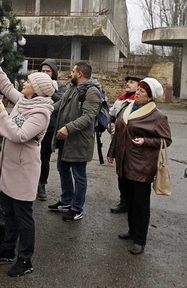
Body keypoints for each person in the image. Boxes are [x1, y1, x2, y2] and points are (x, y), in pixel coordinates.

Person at [0, 49, 56, 277]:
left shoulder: (41, 112)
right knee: (9, 212)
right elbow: (6, 87)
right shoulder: (24, 101)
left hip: (24, 170)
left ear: (38, 89)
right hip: (9, 166)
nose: (24, 83)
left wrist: (2, 113)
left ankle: (25, 260)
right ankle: (6, 249)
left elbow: (20, 135)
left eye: (29, 82)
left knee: (24, 216)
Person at [107, 77, 171, 255]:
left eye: (143, 90)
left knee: (140, 203)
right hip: (124, 162)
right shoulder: (127, 107)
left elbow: (166, 140)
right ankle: (131, 231)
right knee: (128, 199)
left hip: (142, 165)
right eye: (139, 89)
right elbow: (119, 133)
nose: (139, 91)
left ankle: (140, 239)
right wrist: (112, 152)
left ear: (151, 97)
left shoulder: (157, 116)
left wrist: (145, 141)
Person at [48, 62, 101, 222]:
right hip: (65, 139)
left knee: (79, 175)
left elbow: (88, 117)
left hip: (78, 141)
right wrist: (44, 108)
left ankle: (77, 208)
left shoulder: (92, 91)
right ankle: (66, 200)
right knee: (62, 168)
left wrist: (68, 128)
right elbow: (60, 104)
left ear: (79, 74)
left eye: (73, 71)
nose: (70, 74)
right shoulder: (72, 88)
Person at [107, 75, 142, 214]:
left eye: (132, 82)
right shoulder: (121, 99)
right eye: (127, 82)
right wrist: (111, 126)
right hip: (119, 141)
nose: (128, 84)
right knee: (121, 173)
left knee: (130, 174)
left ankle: (131, 202)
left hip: (132, 145)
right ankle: (124, 201)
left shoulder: (138, 102)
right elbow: (111, 115)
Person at [36, 59, 67, 201]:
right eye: (43, 71)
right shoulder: (34, 84)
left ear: (54, 72)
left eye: (48, 71)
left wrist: (50, 89)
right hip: (34, 125)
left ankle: (42, 184)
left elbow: (60, 102)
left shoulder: (60, 86)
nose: (45, 73)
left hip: (50, 127)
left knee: (44, 158)